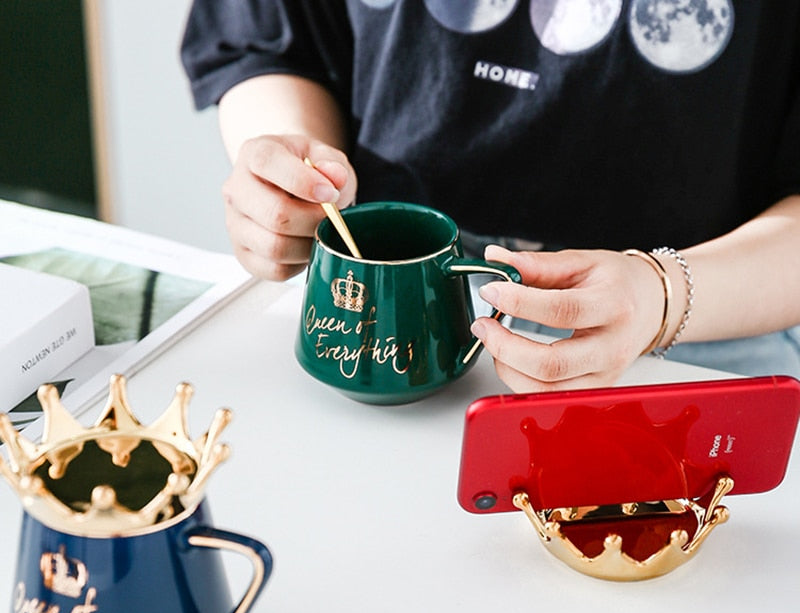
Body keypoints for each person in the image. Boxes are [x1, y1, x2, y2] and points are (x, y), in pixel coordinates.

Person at [181, 0, 800, 391]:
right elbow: (275, 39)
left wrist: (665, 294)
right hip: (382, 294)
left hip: (705, 318)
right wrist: (288, 171)